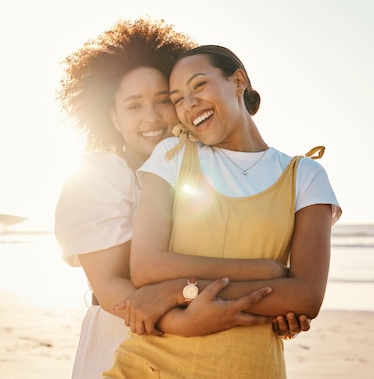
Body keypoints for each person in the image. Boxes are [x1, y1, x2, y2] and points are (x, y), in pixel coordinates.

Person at [54, 20, 310, 379]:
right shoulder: (100, 175)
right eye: (133, 106)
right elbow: (110, 285)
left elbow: (221, 256)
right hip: (124, 333)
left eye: (163, 101)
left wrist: (272, 305)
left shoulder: (202, 168)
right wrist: (187, 318)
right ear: (111, 116)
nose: (153, 117)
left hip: (205, 349)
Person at [103, 45, 342, 378]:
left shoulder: (305, 176)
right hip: (148, 366)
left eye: (199, 85)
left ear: (238, 81)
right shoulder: (172, 155)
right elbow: (146, 266)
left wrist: (177, 290)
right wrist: (267, 272)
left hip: (248, 367)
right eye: (177, 99)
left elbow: (306, 297)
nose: (188, 104)